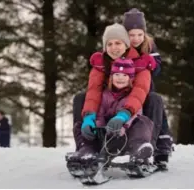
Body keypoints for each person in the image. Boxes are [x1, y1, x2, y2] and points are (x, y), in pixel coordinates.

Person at [72, 23, 163, 161]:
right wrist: (89, 116)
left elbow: (139, 92)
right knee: (81, 98)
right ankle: (86, 147)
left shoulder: (140, 63)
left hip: (131, 111)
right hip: (106, 107)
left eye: (118, 43)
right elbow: (93, 92)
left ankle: (143, 148)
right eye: (109, 44)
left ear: (126, 44)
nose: (114, 48)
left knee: (154, 99)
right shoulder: (100, 65)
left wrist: (124, 114)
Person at [79, 57, 160, 163]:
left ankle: (138, 149)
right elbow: (100, 114)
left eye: (124, 75)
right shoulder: (105, 95)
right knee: (80, 125)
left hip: (126, 133)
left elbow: (135, 114)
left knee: (142, 122)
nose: (120, 78)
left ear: (131, 79)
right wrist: (98, 128)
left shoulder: (132, 96)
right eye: (116, 75)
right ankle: (87, 149)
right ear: (111, 77)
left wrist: (122, 125)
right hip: (107, 134)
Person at [123, 8, 173, 167]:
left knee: (157, 110)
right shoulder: (121, 46)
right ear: (126, 35)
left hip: (146, 88)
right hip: (127, 91)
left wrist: (151, 64)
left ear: (144, 33)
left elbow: (157, 69)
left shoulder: (149, 46)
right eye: (132, 35)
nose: (136, 38)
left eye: (139, 34)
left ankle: (161, 151)